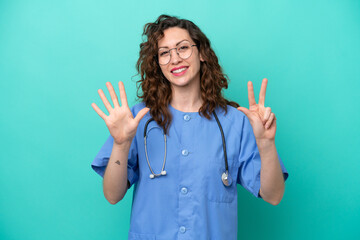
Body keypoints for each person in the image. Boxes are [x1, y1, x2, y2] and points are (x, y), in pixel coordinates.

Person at [91, 14, 289, 240]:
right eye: (164, 53)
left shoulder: (236, 122)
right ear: (158, 64)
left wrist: (265, 144)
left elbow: (273, 195)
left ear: (202, 53)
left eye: (183, 48)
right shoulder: (137, 119)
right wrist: (120, 144)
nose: (174, 59)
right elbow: (112, 195)